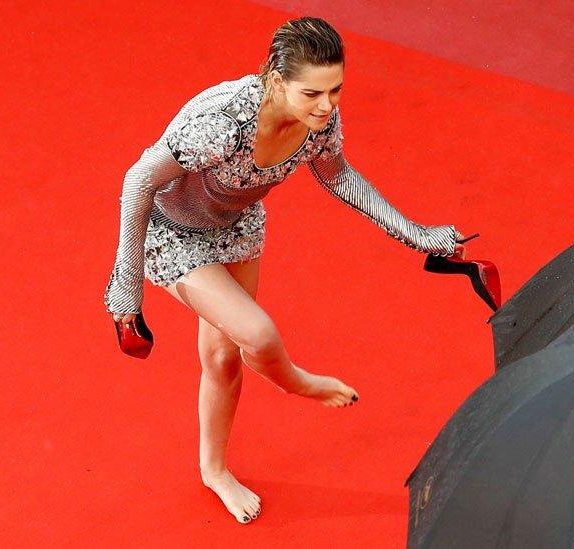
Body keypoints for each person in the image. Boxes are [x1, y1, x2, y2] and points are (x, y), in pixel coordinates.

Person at [103, 16, 469, 524]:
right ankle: (299, 384)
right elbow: (139, 181)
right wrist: (127, 282)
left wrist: (417, 233)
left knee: (223, 355)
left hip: (238, 224)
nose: (327, 105)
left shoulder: (318, 125)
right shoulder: (221, 122)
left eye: (336, 90)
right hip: (171, 230)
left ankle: (214, 469)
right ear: (277, 80)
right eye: (312, 93)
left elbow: (339, 178)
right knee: (259, 333)